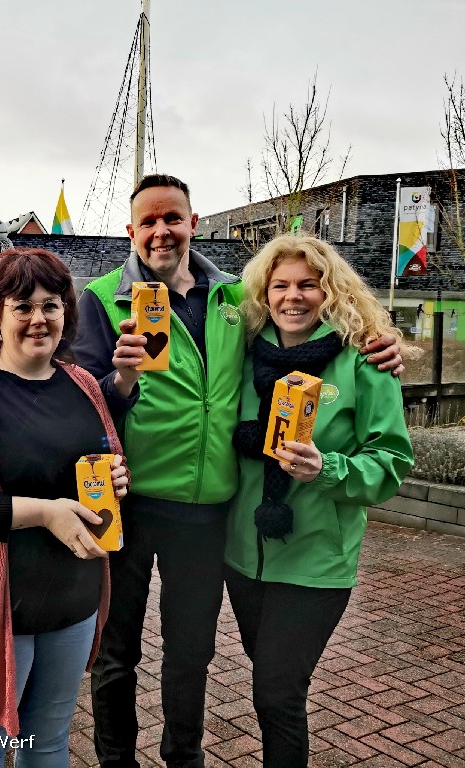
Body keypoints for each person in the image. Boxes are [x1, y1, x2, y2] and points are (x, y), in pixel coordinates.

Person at [72, 174, 405, 768]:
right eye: (147, 221)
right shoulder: (100, 298)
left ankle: (185, 760)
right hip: (127, 501)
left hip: (206, 512)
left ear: (193, 222)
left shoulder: (235, 303)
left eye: (172, 217)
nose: (161, 231)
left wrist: (381, 344)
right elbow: (78, 406)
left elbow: (303, 332)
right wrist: (119, 380)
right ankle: (116, 761)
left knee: (190, 653)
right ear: (130, 231)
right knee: (116, 652)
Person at [0, 247, 133, 767]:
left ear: (66, 314)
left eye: (52, 306)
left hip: (73, 601)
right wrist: (45, 512)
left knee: (49, 742)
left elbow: (105, 453)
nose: (39, 319)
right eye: (22, 306)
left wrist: (116, 475)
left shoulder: (82, 384)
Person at [225, 235, 414, 767]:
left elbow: (391, 461)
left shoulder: (364, 359)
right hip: (243, 557)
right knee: (270, 679)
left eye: (308, 284)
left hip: (316, 561)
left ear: (329, 291)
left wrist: (326, 468)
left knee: (277, 695)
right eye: (280, 285)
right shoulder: (244, 353)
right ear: (264, 292)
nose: (293, 296)